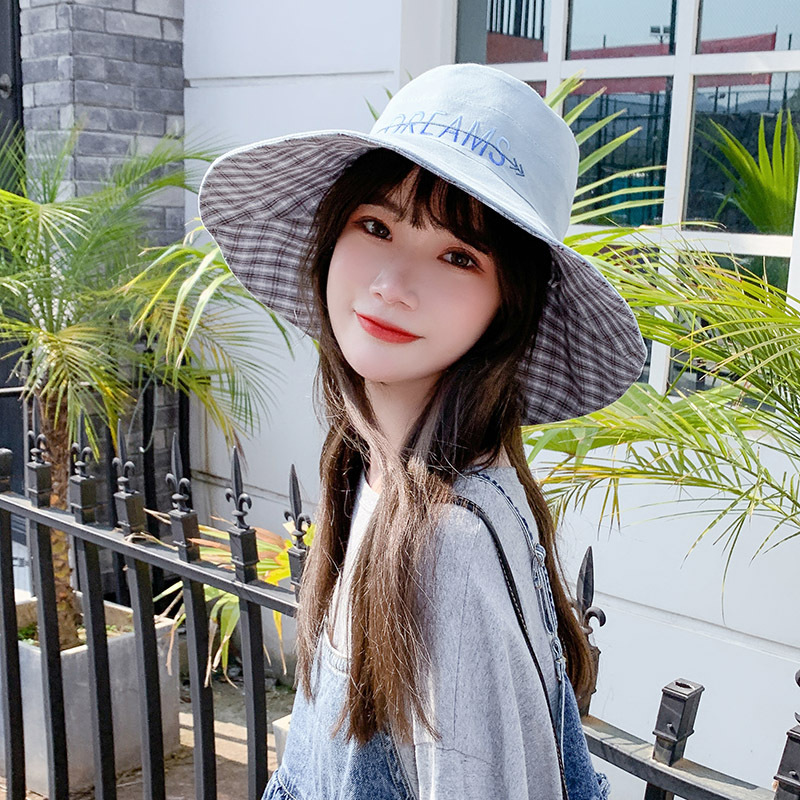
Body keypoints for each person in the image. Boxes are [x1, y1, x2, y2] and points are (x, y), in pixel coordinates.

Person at [199, 63, 647, 800]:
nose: (391, 285)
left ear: (507, 307)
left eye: (458, 256)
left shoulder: (447, 548)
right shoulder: (372, 468)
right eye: (376, 226)